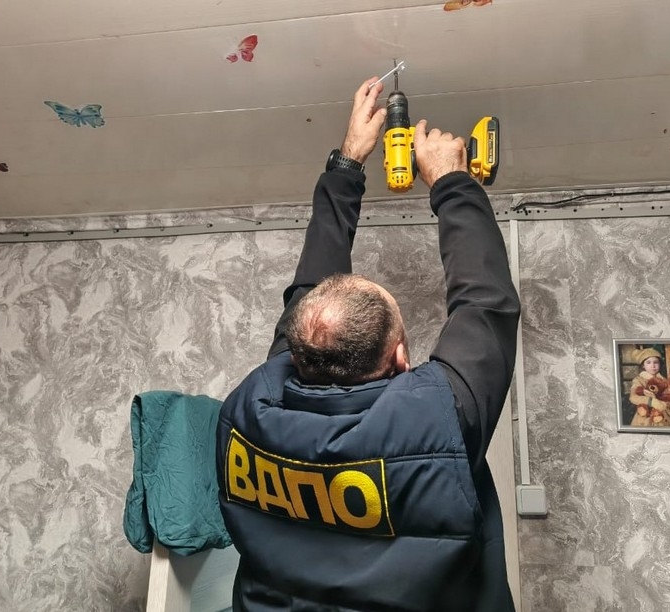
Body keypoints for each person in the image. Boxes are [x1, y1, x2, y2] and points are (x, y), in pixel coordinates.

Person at [215, 76, 521, 611]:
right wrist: (450, 180)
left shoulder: (249, 412)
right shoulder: (439, 421)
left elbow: (483, 306)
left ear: (298, 348)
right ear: (401, 358)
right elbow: (484, 304)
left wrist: (348, 162)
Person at [627, 347, 670, 428]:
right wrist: (651, 401)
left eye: (656, 362)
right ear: (643, 365)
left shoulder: (664, 380)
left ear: (660, 364)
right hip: (646, 415)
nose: (653, 366)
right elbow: (633, 397)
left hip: (665, 414)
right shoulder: (639, 380)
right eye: (648, 362)